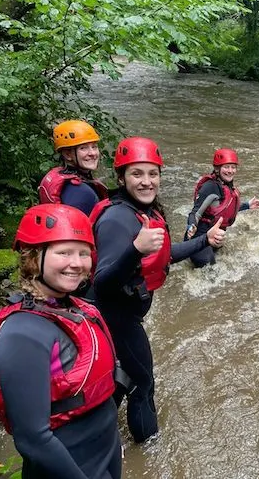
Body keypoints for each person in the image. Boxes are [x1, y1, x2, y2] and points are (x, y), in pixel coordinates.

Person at [90, 136, 225, 443]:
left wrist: (206, 239)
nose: (147, 181)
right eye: (137, 174)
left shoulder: (142, 211)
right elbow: (102, 282)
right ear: (121, 177)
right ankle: (147, 450)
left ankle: (95, 426)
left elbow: (164, 255)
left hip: (123, 315)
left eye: (153, 174)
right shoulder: (116, 219)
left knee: (126, 371)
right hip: (116, 317)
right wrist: (135, 250)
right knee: (144, 382)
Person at [0, 204, 122, 479]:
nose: (77, 263)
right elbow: (33, 440)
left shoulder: (76, 308)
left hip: (103, 452)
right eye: (64, 253)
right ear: (33, 257)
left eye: (83, 253)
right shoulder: (22, 334)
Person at [184, 148, 259, 268]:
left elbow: (223, 208)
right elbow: (195, 213)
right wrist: (191, 226)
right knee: (211, 272)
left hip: (214, 236)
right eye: (226, 167)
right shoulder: (209, 187)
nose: (230, 171)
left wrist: (247, 205)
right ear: (217, 168)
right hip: (198, 238)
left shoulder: (226, 185)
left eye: (233, 167)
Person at [38, 120, 108, 215]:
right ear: (68, 154)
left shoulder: (61, 177)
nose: (92, 153)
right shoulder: (82, 193)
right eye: (83, 148)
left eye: (94, 147)